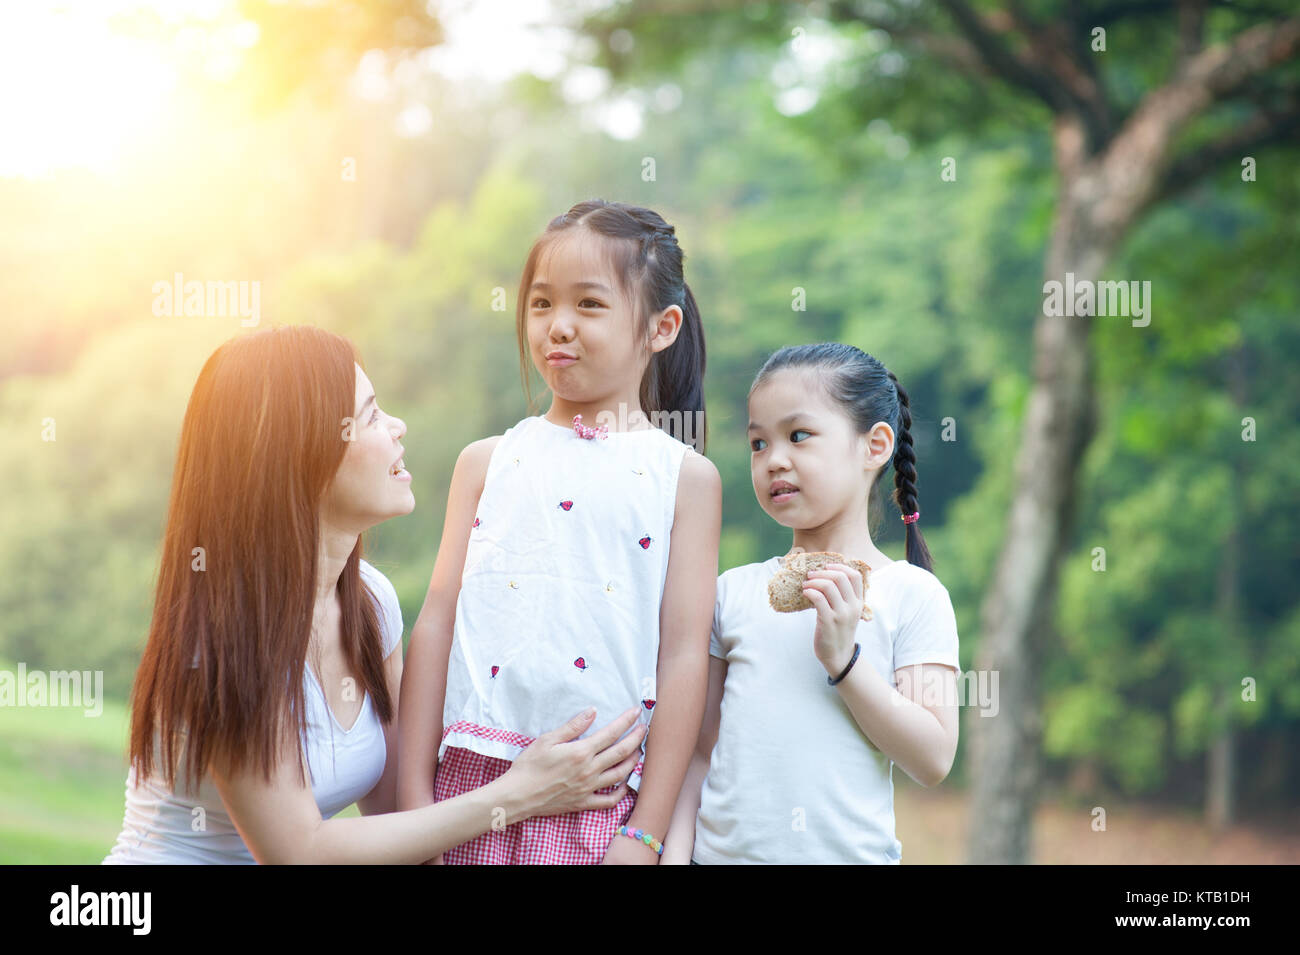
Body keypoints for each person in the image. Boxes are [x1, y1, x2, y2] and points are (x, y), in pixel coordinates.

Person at [104, 324, 644, 864]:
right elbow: (297, 853)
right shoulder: (223, 639)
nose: (397, 427)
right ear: (298, 455)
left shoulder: (370, 605)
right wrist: (516, 795)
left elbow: (399, 818)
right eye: (369, 417)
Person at [397, 199, 721, 864]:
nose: (557, 326)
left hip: (599, 801)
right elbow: (435, 624)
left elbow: (685, 656)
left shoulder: (683, 478)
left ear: (660, 328)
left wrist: (645, 833)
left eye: (590, 305)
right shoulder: (486, 462)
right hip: (468, 792)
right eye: (541, 303)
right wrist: (414, 807)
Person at [663, 343, 960, 864]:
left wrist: (845, 662)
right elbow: (698, 751)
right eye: (758, 443)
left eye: (798, 436)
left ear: (875, 446)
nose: (774, 459)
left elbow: (933, 757)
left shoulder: (913, 595)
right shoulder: (731, 592)